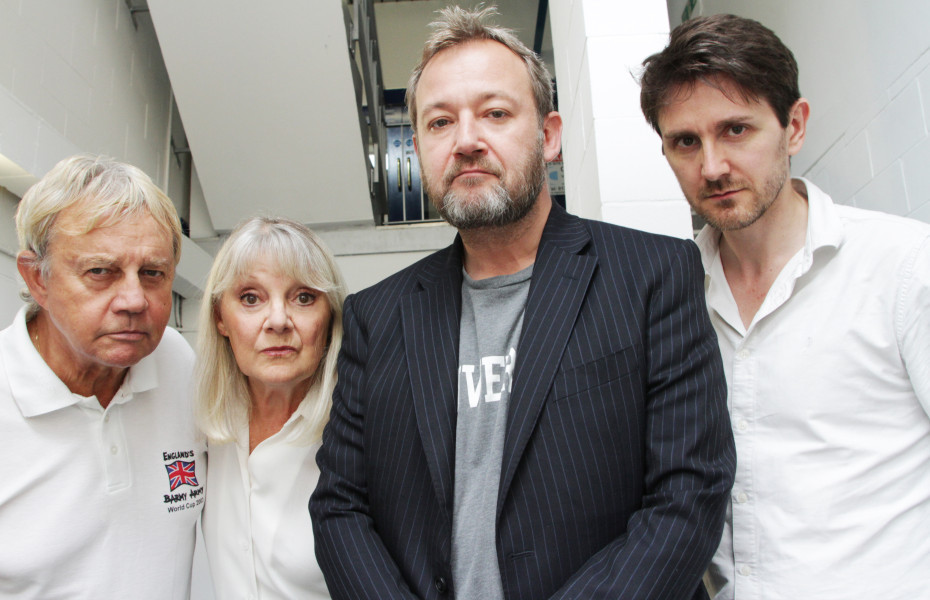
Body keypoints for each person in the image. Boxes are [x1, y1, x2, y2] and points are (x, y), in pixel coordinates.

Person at [311, 6, 735, 599]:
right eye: (438, 123)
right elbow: (339, 506)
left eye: (495, 113)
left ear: (549, 135)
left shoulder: (652, 276)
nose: (466, 141)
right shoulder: (375, 318)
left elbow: (689, 495)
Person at [639, 13, 930, 600]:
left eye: (737, 130)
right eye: (685, 142)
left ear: (794, 126)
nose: (712, 166)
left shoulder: (905, 265)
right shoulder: (667, 295)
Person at [0, 154, 204, 598]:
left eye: (152, 273)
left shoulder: (176, 362)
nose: (134, 299)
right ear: (37, 279)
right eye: (100, 272)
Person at [195, 216, 345, 599]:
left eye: (304, 297)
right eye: (250, 298)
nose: (278, 321)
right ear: (220, 319)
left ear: (330, 317)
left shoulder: (362, 437)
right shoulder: (204, 427)